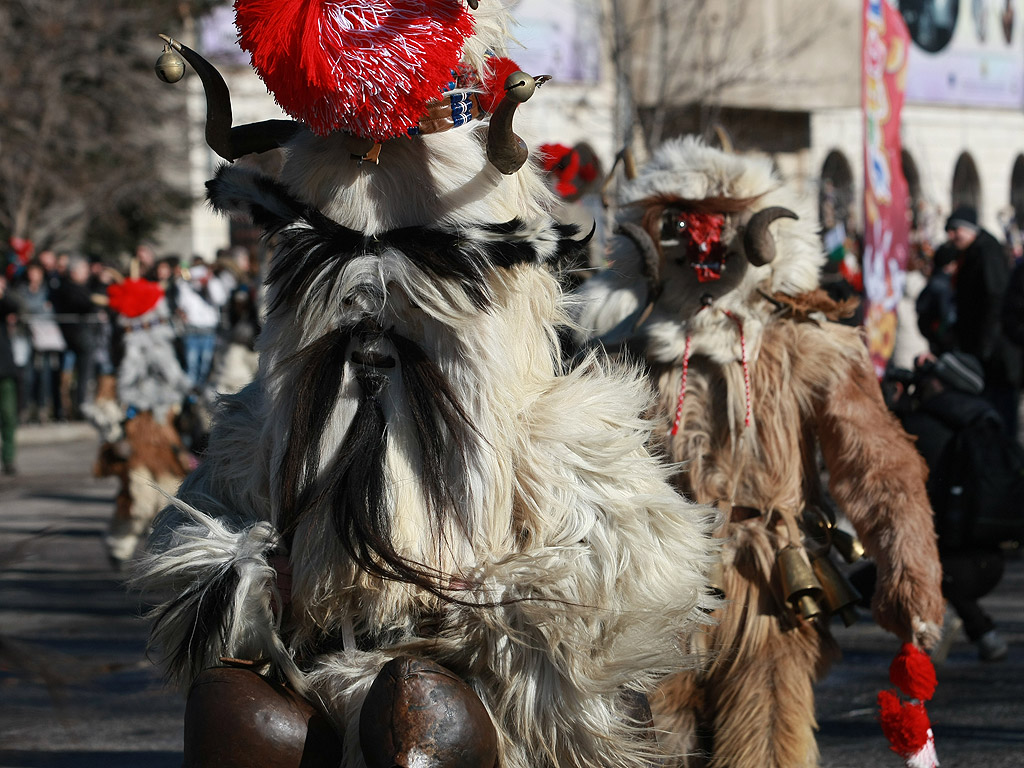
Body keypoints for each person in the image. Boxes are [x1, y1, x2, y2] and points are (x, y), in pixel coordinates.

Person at [889, 352, 1010, 662]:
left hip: (954, 565)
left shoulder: (925, 424)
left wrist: (892, 412)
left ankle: (950, 631)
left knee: (866, 584)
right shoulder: (983, 421)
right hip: (988, 559)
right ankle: (974, 631)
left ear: (942, 383)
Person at [945, 205, 1022, 438]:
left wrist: (985, 347)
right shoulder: (974, 251)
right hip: (987, 350)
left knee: (999, 414)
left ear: (969, 230)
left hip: (997, 356)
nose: (951, 236)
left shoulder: (986, 252)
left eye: (955, 229)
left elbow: (995, 300)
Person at [14, 260, 64, 423]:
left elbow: (49, 311)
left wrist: (39, 310)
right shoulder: (22, 291)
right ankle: (25, 408)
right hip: (26, 336)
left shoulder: (48, 291)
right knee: (27, 374)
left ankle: (43, 407)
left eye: (37, 272)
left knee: (45, 373)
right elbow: (24, 309)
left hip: (45, 338)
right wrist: (41, 308)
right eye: (31, 272)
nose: (34, 276)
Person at [0, 274, 21, 475]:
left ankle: (8, 458)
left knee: (8, 416)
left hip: (4, 369)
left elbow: (13, 305)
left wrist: (2, 293)